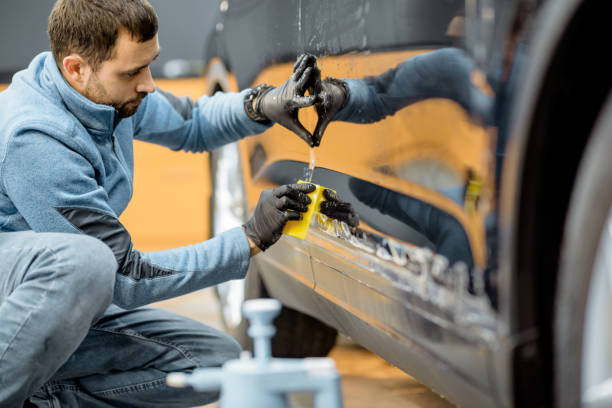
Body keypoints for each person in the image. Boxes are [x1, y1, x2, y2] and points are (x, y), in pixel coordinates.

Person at [0, 0, 355, 406]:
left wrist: (264, 103)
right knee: (87, 262)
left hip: (60, 302)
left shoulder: (101, 92)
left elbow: (191, 123)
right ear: (76, 68)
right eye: (134, 72)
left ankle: (38, 397)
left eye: (149, 65)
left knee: (216, 364)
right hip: (16, 299)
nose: (148, 83)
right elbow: (126, 277)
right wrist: (249, 238)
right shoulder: (37, 139)